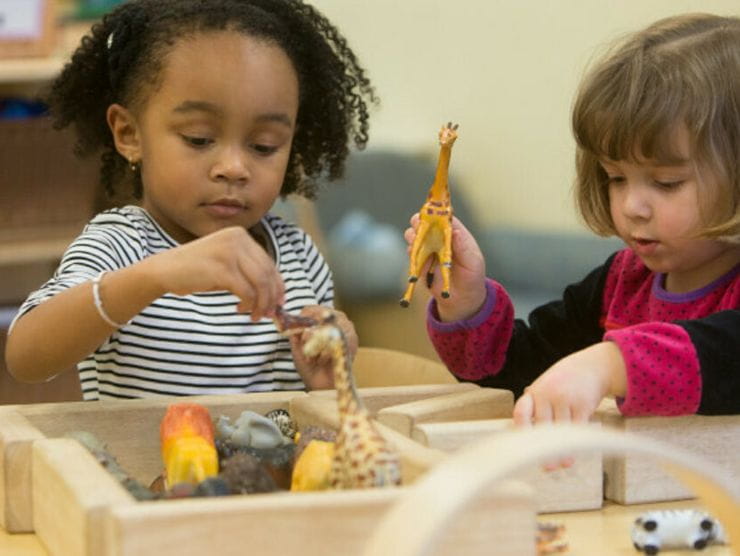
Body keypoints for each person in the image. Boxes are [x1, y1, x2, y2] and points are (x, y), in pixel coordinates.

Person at [5, 0, 375, 399]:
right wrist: (157, 275)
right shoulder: (119, 246)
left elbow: (314, 416)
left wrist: (325, 379)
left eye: (264, 146)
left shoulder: (298, 257)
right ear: (129, 134)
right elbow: (26, 357)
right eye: (199, 138)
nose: (234, 167)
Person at [406, 13, 740, 427]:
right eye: (615, 178)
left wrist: (609, 363)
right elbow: (518, 375)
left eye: (667, 182)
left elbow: (726, 355)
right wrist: (465, 300)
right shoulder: (620, 283)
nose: (632, 205)